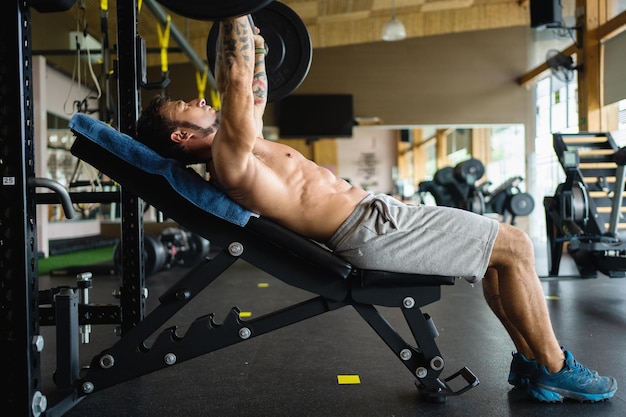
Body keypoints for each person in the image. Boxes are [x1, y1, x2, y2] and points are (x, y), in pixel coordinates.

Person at [136, 16, 617, 403]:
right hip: (370, 228)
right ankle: (556, 369)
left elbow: (248, 84)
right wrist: (233, 10)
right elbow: (237, 81)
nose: (200, 98)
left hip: (375, 216)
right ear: (181, 136)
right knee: (514, 243)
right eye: (185, 105)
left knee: (500, 256)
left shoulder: (239, 145)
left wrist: (254, 44)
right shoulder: (229, 160)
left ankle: (534, 364)